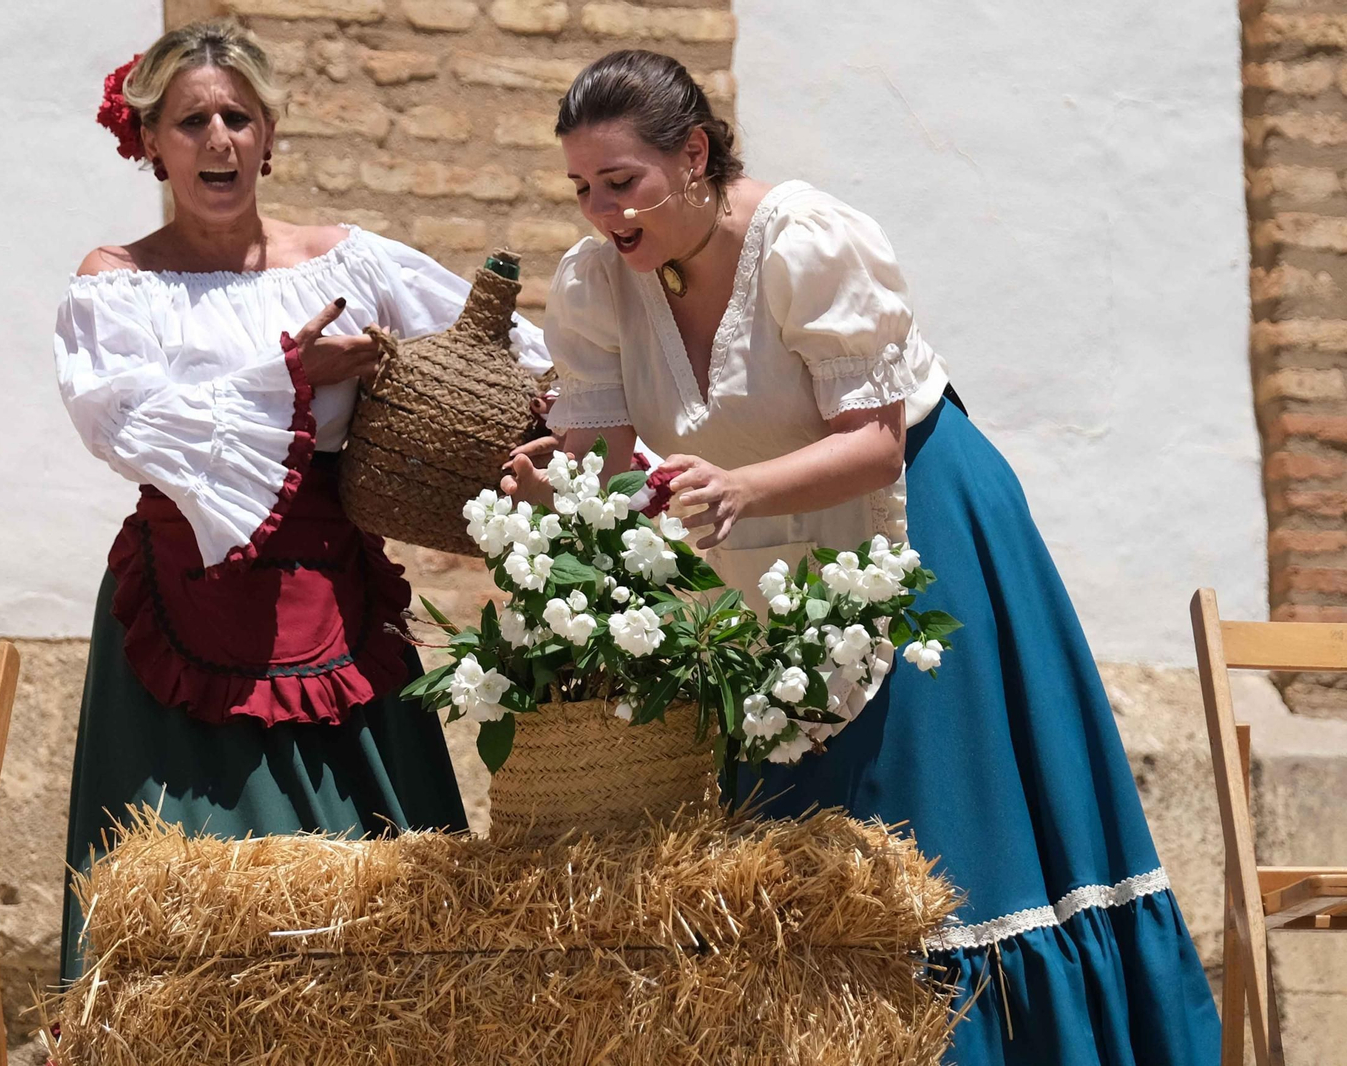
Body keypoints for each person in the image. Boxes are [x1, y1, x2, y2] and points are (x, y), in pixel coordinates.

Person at [504, 49, 1220, 1065]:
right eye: (582, 190)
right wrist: (560, 493)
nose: (602, 213)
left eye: (622, 184)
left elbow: (874, 441)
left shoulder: (807, 242)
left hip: (920, 520)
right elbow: (606, 469)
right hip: (762, 556)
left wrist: (738, 490)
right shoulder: (593, 285)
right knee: (801, 836)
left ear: (694, 153)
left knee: (939, 828)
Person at [52, 18, 549, 984]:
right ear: (151, 140)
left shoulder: (348, 262)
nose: (219, 138)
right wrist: (294, 372)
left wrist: (550, 451)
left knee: (385, 895)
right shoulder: (119, 284)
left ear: (271, 137)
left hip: (337, 597)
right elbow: (135, 426)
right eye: (192, 120)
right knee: (188, 919)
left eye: (239, 116)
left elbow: (511, 367)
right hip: (182, 595)